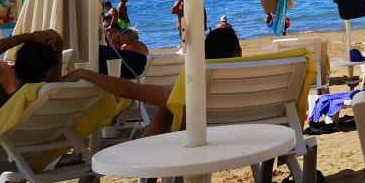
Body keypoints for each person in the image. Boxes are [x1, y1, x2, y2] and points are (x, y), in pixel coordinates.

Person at [66, 26, 243, 137]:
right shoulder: (253, 76)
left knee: (171, 105)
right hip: (249, 136)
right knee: (171, 106)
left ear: (203, 53)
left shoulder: (193, 86)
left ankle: (146, 163)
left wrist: (85, 74)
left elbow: (132, 90)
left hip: (206, 140)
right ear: (239, 53)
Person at [0, 29, 63, 113]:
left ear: (16, 66)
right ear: (48, 73)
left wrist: (29, 36)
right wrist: (59, 45)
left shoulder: (0, 104)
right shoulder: (50, 95)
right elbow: (55, 80)